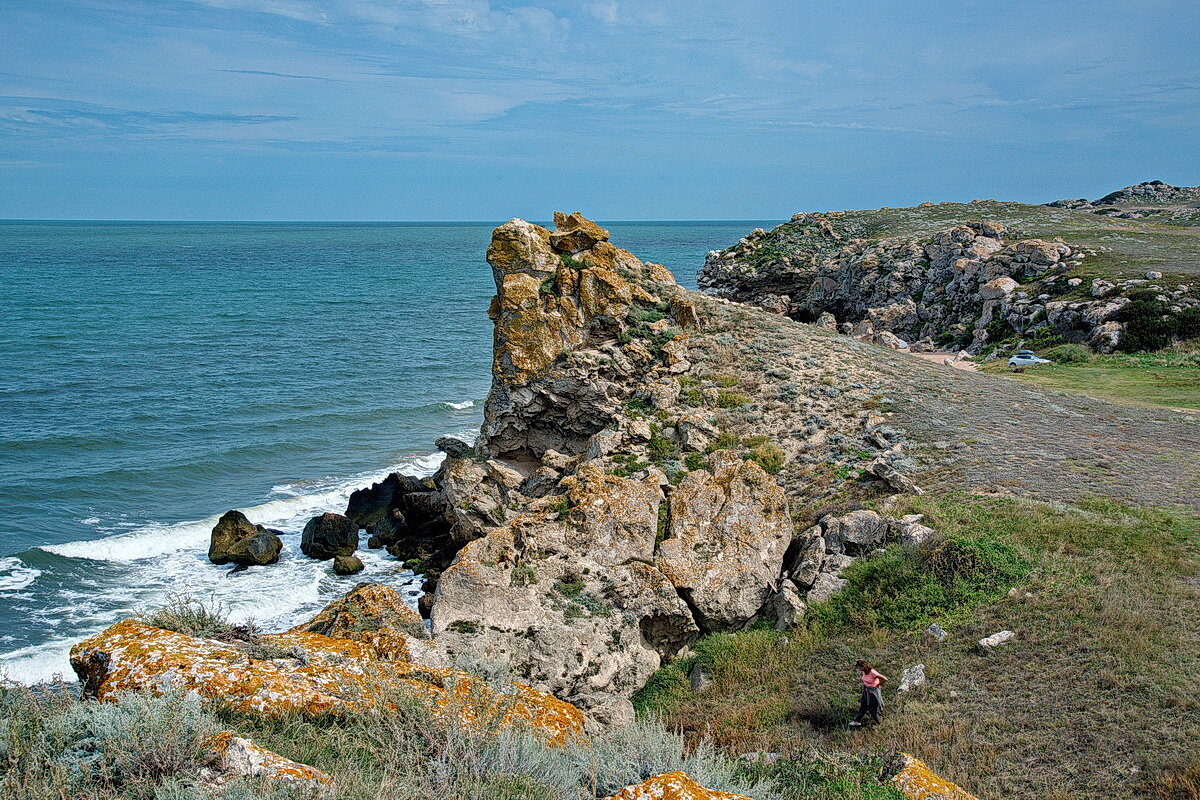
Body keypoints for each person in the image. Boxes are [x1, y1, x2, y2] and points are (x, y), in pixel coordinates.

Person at [849, 659, 887, 727]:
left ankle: (880, 724)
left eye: (860, 667)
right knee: (863, 706)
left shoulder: (873, 672)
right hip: (866, 690)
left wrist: (878, 684)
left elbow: (885, 679)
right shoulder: (864, 671)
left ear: (864, 666)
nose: (859, 669)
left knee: (872, 709)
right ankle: (857, 721)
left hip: (873, 691)